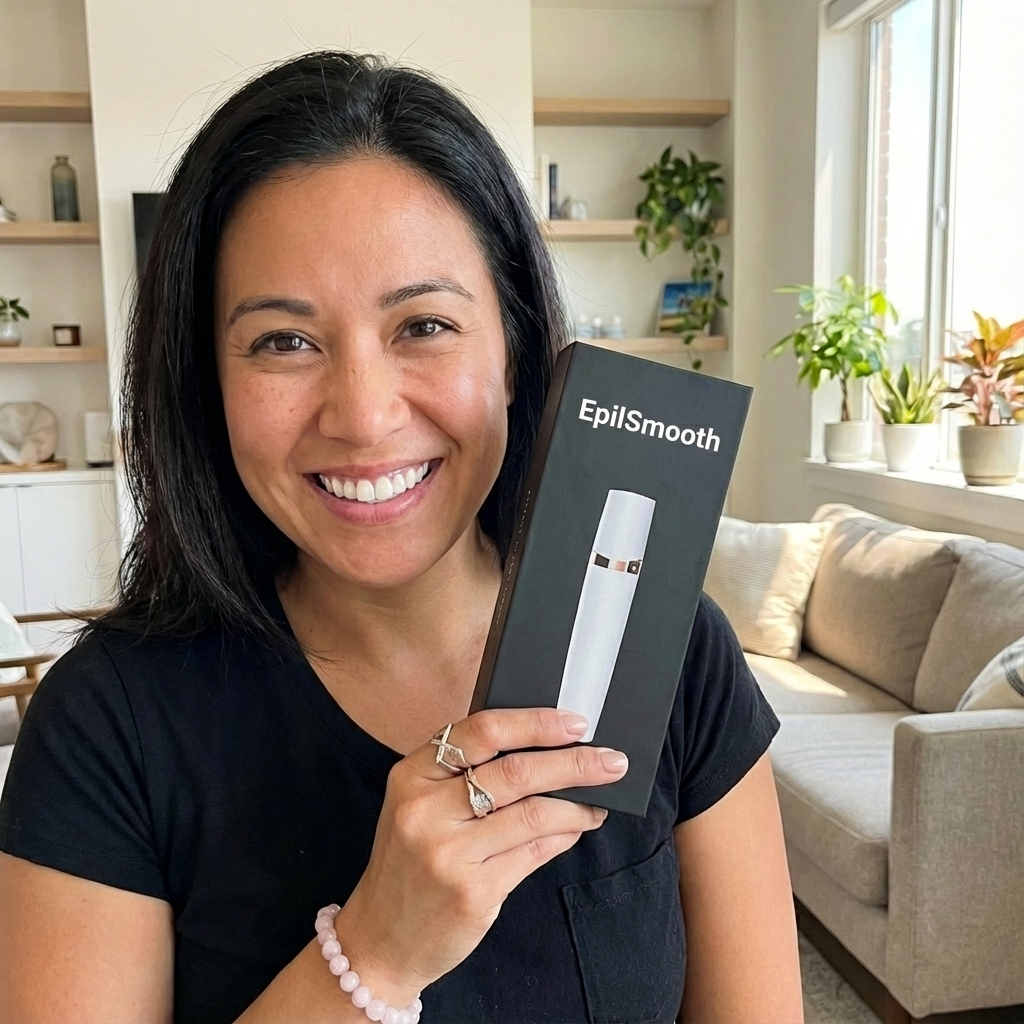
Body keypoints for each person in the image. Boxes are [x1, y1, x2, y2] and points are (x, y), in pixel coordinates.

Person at [0, 51, 802, 1024]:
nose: (364, 416)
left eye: (423, 325)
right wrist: (373, 956)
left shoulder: (675, 651)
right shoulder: (106, 726)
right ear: (206, 385)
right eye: (284, 341)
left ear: (514, 353)